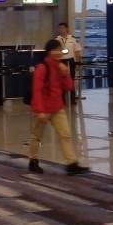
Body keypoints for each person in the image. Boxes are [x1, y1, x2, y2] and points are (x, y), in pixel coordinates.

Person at [28, 39, 89, 176]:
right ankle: (33, 160)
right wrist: (40, 110)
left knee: (65, 135)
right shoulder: (42, 67)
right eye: (54, 50)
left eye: (59, 50)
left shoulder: (61, 67)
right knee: (37, 136)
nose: (57, 52)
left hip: (57, 107)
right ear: (48, 52)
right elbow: (37, 90)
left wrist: (65, 73)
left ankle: (71, 163)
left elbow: (69, 87)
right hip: (42, 108)